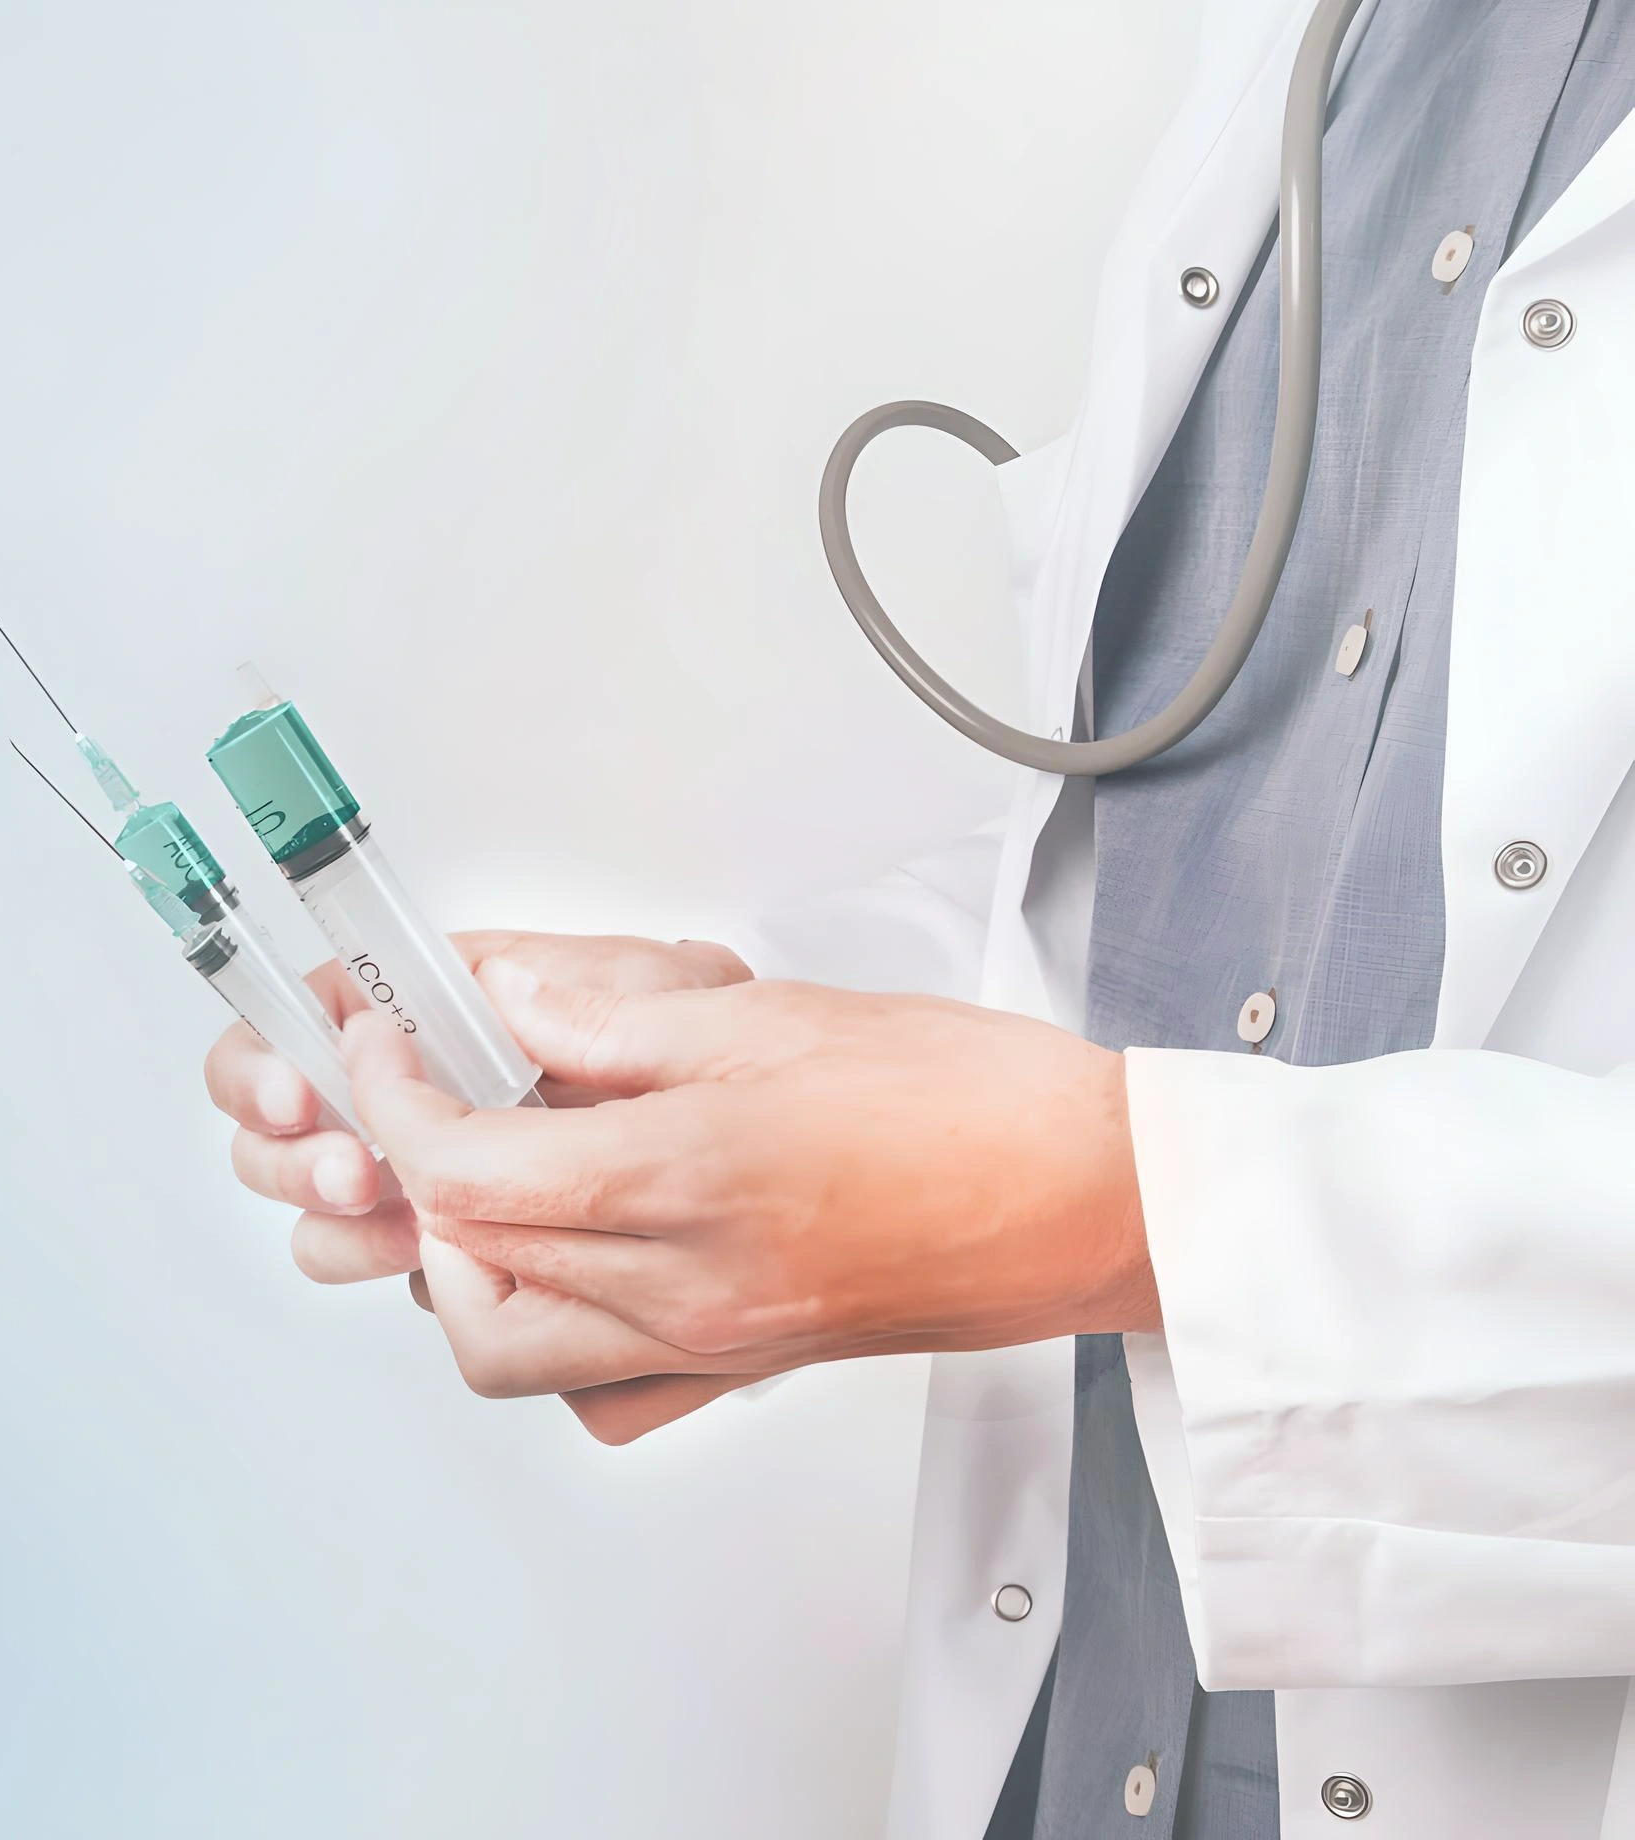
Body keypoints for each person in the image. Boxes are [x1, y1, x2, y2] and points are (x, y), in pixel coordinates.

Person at [204, 1, 1635, 1834]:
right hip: (1073, 1744)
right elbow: (1203, 875)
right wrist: (715, 1060)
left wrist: (1125, 1210)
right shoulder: (1325, 46)